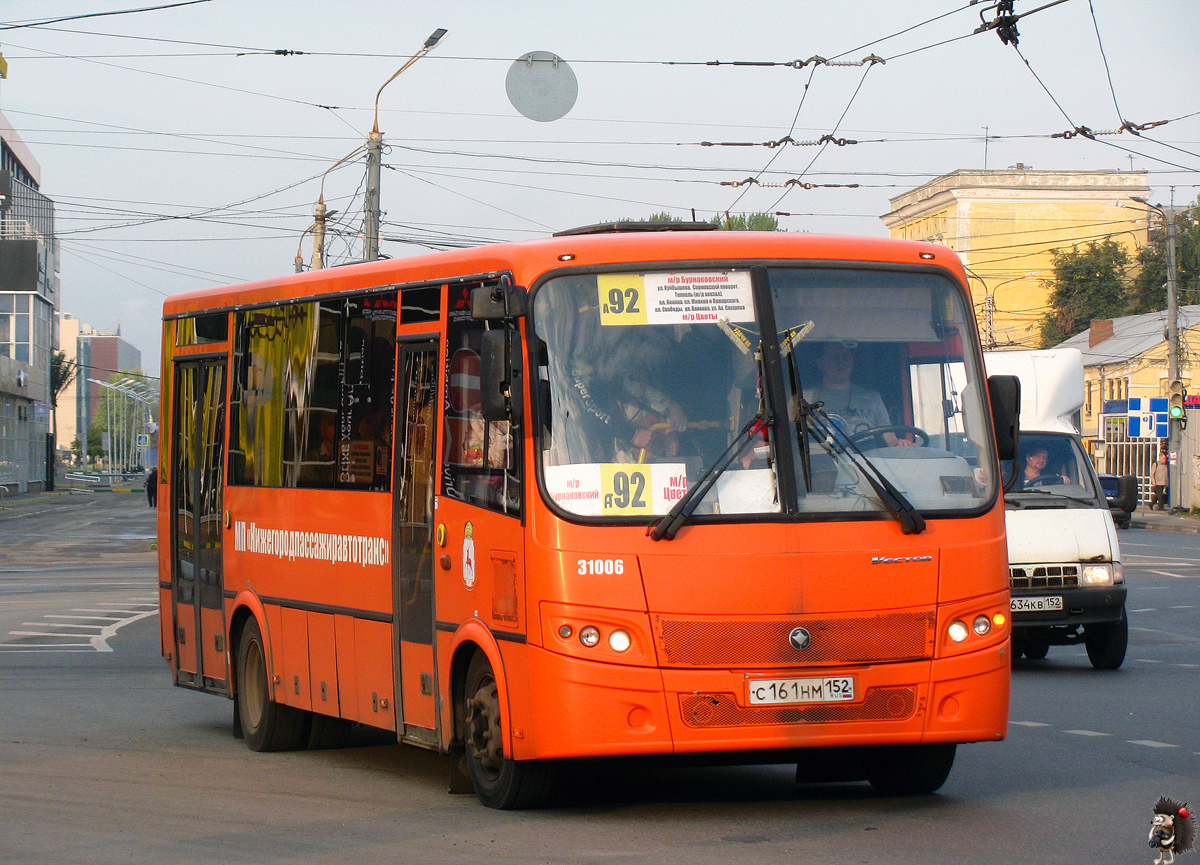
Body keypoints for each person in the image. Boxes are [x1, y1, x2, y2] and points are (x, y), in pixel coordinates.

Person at [807, 342, 915, 446]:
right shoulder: (805, 399)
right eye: (834, 357)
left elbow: (889, 438)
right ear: (820, 364)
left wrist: (900, 444)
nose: (841, 362)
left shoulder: (872, 398)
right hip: (826, 462)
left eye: (845, 357)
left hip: (869, 461)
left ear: (852, 361)